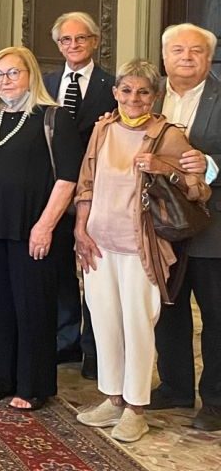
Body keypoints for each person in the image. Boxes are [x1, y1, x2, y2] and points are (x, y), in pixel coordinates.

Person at [73, 59, 212, 442]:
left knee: (137, 325)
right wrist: (80, 229)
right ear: (115, 92)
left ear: (155, 95)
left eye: (143, 91)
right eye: (127, 90)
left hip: (141, 248)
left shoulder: (168, 134)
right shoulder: (103, 128)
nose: (134, 98)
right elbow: (86, 184)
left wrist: (162, 167)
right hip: (99, 246)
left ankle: (136, 408)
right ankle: (112, 398)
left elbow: (199, 188)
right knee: (104, 324)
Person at [0, 46, 81, 411]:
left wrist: (45, 226)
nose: (5, 80)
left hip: (33, 229)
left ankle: (33, 385)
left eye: (13, 73)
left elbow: (68, 178)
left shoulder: (53, 117)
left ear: (31, 75)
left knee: (32, 307)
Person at [151, 23, 221, 432]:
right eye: (178, 50)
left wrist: (211, 164)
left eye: (196, 51)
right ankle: (174, 386)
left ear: (209, 58)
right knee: (168, 309)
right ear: (164, 56)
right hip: (159, 225)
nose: (187, 57)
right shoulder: (148, 92)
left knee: (215, 314)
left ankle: (214, 399)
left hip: (212, 226)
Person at [41, 12, 116, 380]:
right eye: (65, 40)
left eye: (81, 38)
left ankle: (96, 351)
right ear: (58, 45)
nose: (73, 45)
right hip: (52, 191)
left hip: (97, 193)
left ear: (95, 41)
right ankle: (66, 340)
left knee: (96, 273)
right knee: (59, 273)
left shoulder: (113, 86)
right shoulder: (46, 81)